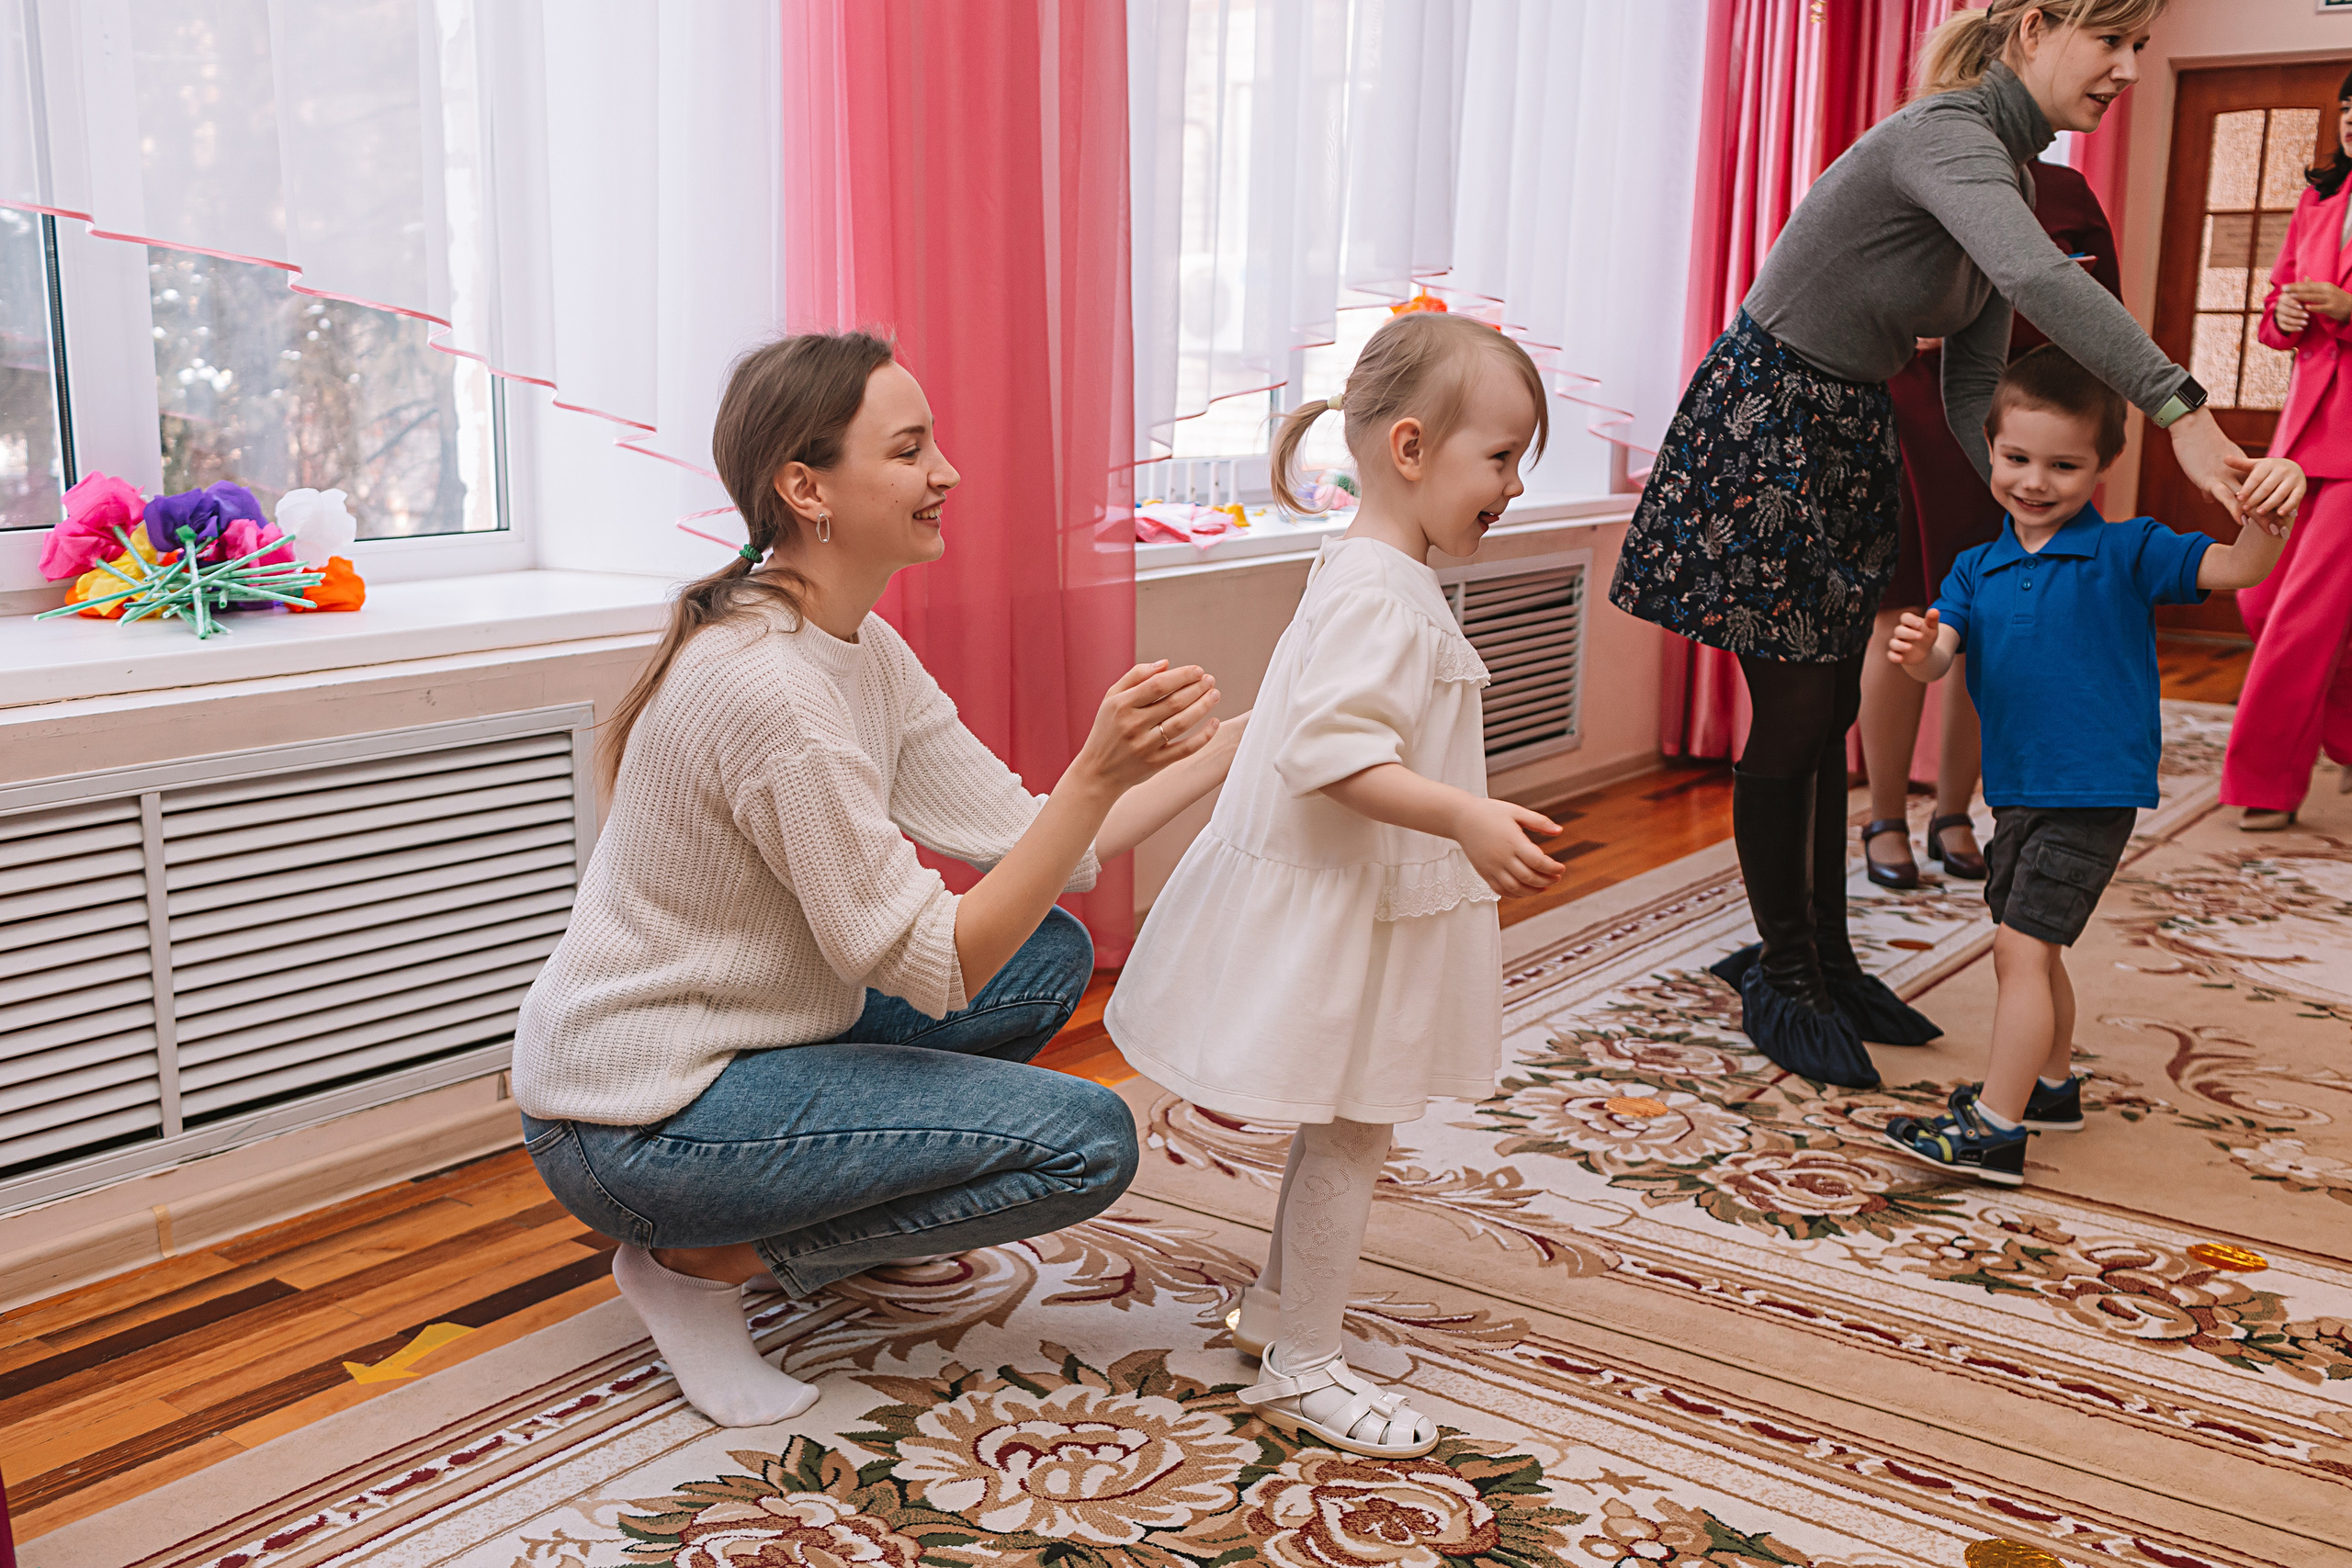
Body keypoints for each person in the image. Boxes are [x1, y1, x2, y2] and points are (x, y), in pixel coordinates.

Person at [512, 332, 1250, 1427]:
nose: (945, 473)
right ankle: (699, 1269)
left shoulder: (852, 643)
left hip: (745, 1043)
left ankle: (815, 1211)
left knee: (1045, 948)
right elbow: (933, 966)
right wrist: (1094, 773)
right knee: (1087, 1143)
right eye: (909, 450)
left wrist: (1253, 737)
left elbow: (1036, 841)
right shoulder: (771, 693)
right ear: (806, 488)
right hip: (635, 1121)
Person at [1608, 0, 2279, 1090]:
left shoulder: (2001, 176)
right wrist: (2179, 411)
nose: (2127, 71)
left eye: (2140, 47)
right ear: (2033, 30)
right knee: (1792, 707)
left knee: (1825, 704)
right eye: (2109, 41)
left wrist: (2029, 521)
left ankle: (1822, 955)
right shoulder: (1945, 135)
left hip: (1843, 424)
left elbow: (1974, 379)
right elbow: (2043, 287)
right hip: (1769, 421)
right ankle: (1783, 971)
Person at [1106, 313, 1565, 1458]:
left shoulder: (1373, 571)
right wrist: (1463, 814)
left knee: (1348, 1126)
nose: (1512, 486)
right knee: (1354, 1134)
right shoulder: (1380, 592)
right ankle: (1306, 1358)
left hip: (1368, 901)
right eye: (1500, 458)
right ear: (1410, 448)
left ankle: (1277, 1313)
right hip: (1347, 907)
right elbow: (1330, 754)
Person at [1882, 348, 2301, 1182]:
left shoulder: (2130, 550)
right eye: (2017, 458)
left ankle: (1997, 1130)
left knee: (2020, 949)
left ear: (2103, 466)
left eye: (2064, 464)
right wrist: (1922, 649)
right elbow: (1940, 664)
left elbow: (2238, 568)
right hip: (2018, 791)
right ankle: (2049, 1088)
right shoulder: (1975, 567)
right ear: (1991, 449)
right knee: (2036, 947)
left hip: (2091, 789)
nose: (2036, 481)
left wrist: (2267, 512)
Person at [1860, 156, 2126, 890]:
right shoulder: (1915, 174)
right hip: (1913, 422)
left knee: (1992, 622)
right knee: (1905, 613)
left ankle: (1954, 813)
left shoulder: (2070, 191)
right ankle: (1883, 815)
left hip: (2020, 435)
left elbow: (2103, 315)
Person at [2222, 68, 2352, 831]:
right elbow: (2273, 319)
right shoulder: (2317, 201)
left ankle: (2266, 782)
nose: (2351, 124)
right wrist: (2289, 313)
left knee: (2304, 616)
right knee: (2259, 596)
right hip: (2300, 438)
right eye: (2348, 111)